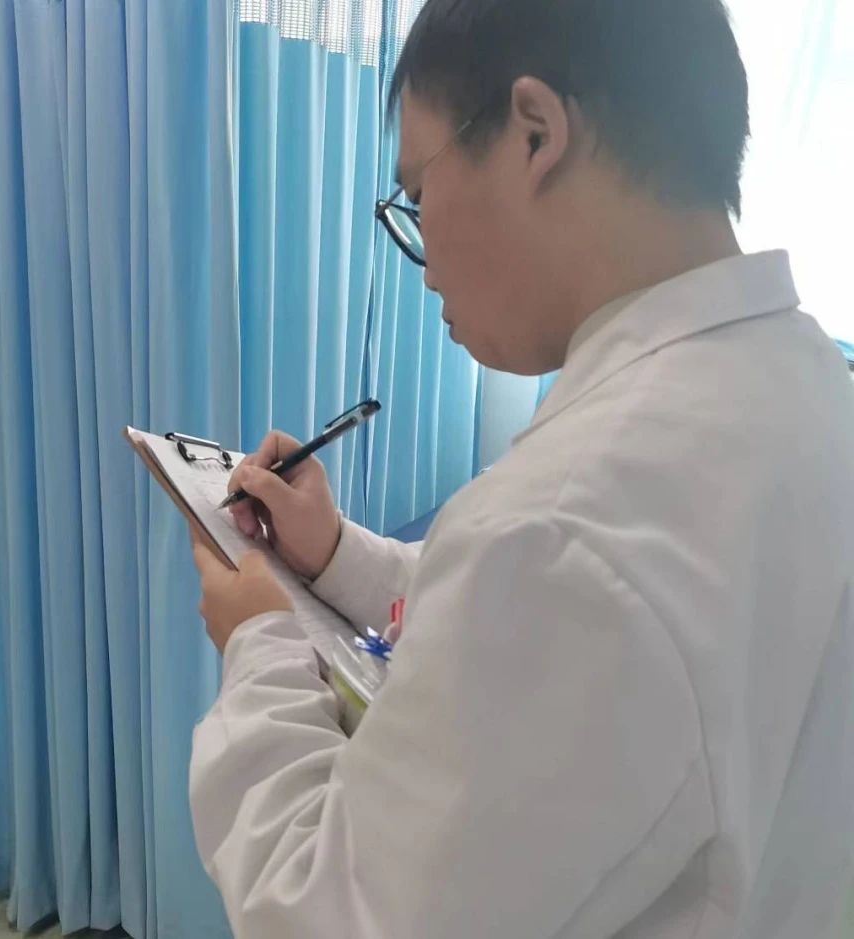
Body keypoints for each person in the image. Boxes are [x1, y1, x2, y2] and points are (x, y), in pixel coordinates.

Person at [187, 0, 854, 935]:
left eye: (417, 195)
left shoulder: (566, 523)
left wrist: (260, 639)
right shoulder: (810, 384)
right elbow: (517, 628)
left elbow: (323, 907)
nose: (424, 266)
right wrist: (333, 552)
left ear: (535, 132)